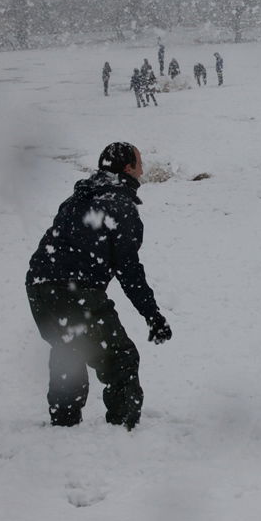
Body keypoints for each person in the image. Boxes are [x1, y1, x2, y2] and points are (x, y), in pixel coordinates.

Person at [25, 142, 172, 429]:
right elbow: (128, 270)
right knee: (120, 358)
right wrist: (152, 315)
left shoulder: (78, 198)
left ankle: (63, 427)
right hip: (75, 289)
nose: (143, 167)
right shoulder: (119, 205)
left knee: (69, 350)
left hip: (39, 286)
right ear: (129, 168)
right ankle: (122, 430)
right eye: (140, 161)